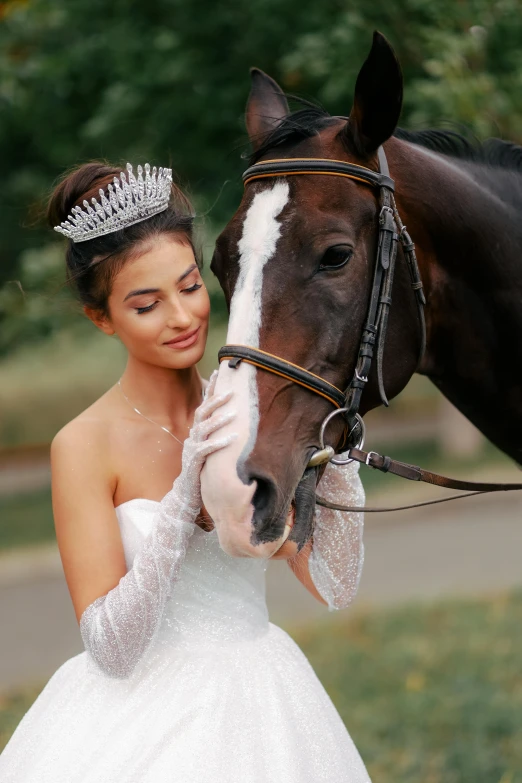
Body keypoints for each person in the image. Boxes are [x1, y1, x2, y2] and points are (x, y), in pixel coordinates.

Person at [0, 161, 371, 782]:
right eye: (147, 304)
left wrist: (335, 455)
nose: (182, 317)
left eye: (191, 286)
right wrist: (182, 498)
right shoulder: (83, 445)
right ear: (103, 319)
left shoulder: (255, 411)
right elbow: (112, 649)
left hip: (265, 699)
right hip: (140, 725)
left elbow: (333, 582)